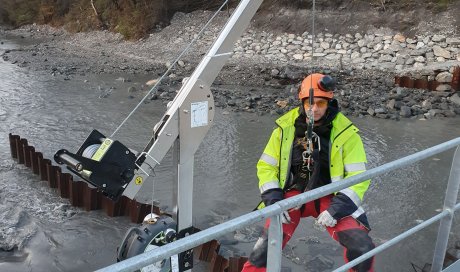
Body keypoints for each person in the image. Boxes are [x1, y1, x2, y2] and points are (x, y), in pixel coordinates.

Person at [241, 73, 375, 272]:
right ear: (302, 102)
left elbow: (358, 178)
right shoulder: (284, 129)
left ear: (329, 102)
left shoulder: (347, 134)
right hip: (293, 196)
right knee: (263, 250)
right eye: (309, 103)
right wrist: (274, 201)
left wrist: (335, 211)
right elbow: (266, 166)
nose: (314, 108)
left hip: (331, 197)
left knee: (362, 248)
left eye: (320, 103)